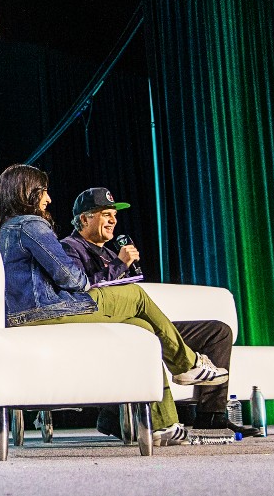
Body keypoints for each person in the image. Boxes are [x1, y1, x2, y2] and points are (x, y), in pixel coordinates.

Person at [0, 164, 228, 446]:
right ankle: (187, 364)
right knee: (136, 295)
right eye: (44, 192)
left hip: (26, 315)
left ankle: (163, 425)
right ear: (27, 192)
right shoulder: (31, 224)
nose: (48, 199)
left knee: (142, 328)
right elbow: (71, 278)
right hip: (45, 311)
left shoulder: (2, 229)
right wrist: (95, 275)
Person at [60, 187, 259, 437]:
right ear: (84, 219)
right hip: (110, 328)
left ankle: (212, 415)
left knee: (217, 331)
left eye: (114, 215)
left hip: (138, 322)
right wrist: (120, 264)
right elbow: (84, 291)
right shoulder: (68, 249)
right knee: (148, 336)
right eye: (105, 214)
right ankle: (116, 413)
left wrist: (126, 267)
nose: (113, 220)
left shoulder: (110, 252)